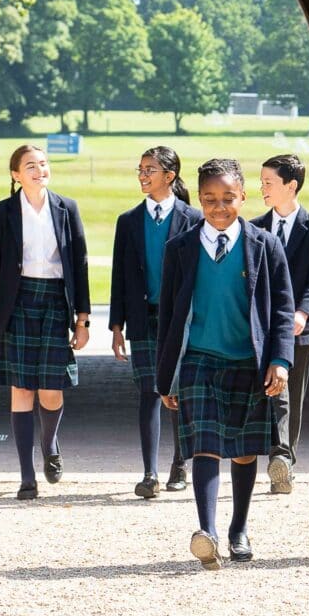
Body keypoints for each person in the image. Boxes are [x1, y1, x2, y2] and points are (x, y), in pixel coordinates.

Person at [155, 158, 295, 569]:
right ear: (199, 199)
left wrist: (280, 360)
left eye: (228, 198)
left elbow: (283, 309)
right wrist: (167, 378)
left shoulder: (265, 245)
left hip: (247, 362)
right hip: (199, 360)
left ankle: (238, 528)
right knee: (204, 447)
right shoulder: (179, 249)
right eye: (210, 199)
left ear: (243, 196)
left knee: (245, 451)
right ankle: (207, 531)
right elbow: (168, 316)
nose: (219, 207)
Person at [0, 144, 91, 500]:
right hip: (17, 303)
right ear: (15, 174)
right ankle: (27, 476)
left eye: (43, 164)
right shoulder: (1, 213)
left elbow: (80, 264)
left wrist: (83, 319)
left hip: (57, 302)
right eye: (30, 166)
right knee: (22, 389)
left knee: (52, 390)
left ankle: (50, 443)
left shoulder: (67, 208)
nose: (39, 170)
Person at [110, 145, 202, 498]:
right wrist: (116, 325)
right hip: (143, 320)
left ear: (170, 175)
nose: (143, 175)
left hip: (180, 319)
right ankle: (150, 473)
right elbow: (120, 275)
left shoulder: (193, 219)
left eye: (150, 170)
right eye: (140, 169)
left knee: (176, 391)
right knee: (148, 393)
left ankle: (180, 464)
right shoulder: (128, 221)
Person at [255, 151, 309, 495]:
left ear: (291, 185)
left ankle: (284, 459)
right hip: (262, 328)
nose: (262, 189)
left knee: (290, 394)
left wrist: (303, 312)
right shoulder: (254, 228)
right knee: (267, 392)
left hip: (300, 329)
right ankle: (277, 454)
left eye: (268, 183)